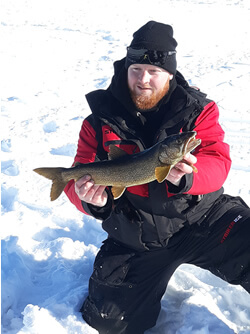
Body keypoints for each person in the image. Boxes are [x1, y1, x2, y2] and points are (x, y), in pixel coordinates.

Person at [64, 21, 250, 334]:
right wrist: (88, 200)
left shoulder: (196, 110)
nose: (143, 80)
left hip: (201, 219)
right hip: (137, 235)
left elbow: (218, 160)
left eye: (154, 71)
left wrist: (189, 178)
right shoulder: (98, 121)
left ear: (170, 73)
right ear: (125, 68)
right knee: (108, 320)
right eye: (136, 69)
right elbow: (78, 175)